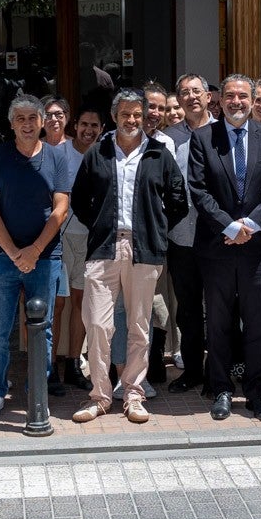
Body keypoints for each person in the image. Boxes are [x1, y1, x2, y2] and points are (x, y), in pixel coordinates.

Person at [69, 89, 188, 422]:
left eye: (137, 114)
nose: (132, 120)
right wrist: (101, 225)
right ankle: (100, 395)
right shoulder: (97, 153)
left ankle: (133, 393)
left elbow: (178, 201)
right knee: (97, 324)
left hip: (144, 249)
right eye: (125, 114)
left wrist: (155, 229)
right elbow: (80, 200)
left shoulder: (159, 154)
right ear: (114, 116)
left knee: (138, 325)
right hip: (104, 247)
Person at [188, 74, 261, 422]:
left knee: (256, 323)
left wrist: (250, 225)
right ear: (219, 100)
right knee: (218, 322)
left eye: (243, 96)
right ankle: (221, 389)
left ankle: (255, 392)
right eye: (230, 96)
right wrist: (231, 226)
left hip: (255, 248)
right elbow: (199, 190)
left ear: (253, 99)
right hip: (216, 246)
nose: (236, 102)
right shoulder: (203, 137)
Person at [0, 96, 72, 419]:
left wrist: (34, 250)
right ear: (11, 123)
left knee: (42, 330)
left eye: (33, 117)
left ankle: (37, 394)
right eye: (20, 118)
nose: (27, 124)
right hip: (3, 257)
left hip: (44, 257)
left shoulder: (56, 157)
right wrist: (14, 252)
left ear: (43, 121)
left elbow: (61, 208)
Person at [163, 73, 212, 394]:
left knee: (220, 309)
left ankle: (218, 372)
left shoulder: (223, 133)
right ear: (179, 100)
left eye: (197, 91)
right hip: (180, 237)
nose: (192, 97)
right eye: (185, 92)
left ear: (208, 96)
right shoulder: (168, 139)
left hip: (218, 237)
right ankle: (193, 370)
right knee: (188, 309)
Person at [44, 97, 88, 391]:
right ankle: (49, 367)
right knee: (56, 304)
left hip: (85, 235)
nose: (54, 119)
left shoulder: (79, 149)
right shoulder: (39, 151)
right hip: (53, 236)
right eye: (48, 114)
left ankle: (73, 363)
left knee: (81, 302)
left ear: (68, 117)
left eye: (59, 114)